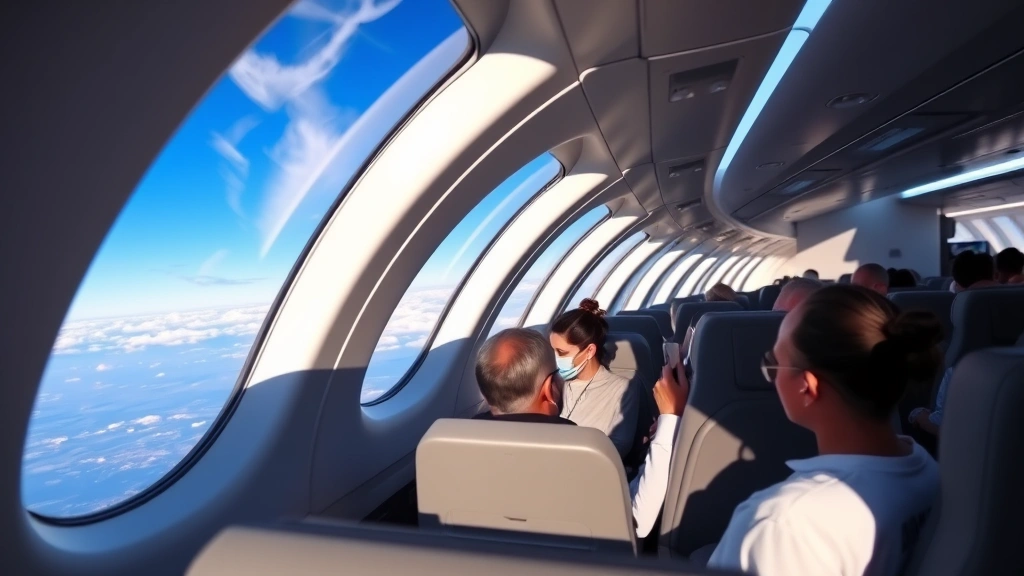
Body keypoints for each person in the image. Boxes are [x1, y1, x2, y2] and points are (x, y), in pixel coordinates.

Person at [703, 285, 941, 575]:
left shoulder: (785, 522)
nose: (772, 376)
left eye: (774, 363)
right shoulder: (928, 470)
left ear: (808, 386)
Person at [473, 327, 689, 539]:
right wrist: (670, 418)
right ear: (550, 388)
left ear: (484, 390)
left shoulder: (461, 437)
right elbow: (637, 521)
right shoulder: (576, 447)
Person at [549, 299, 638, 457]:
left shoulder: (622, 390)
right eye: (554, 351)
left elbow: (619, 447)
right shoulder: (552, 383)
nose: (556, 358)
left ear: (589, 351)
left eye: (561, 353)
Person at [474, 328, 571, 424]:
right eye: (557, 373)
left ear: (485, 393)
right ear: (549, 390)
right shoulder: (574, 435)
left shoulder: (468, 428)